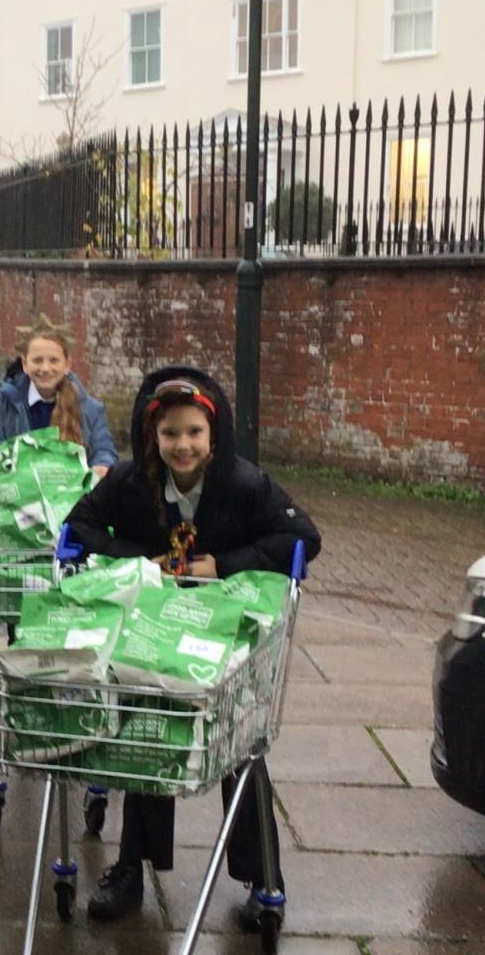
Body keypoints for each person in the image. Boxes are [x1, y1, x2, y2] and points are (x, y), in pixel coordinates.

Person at [63, 365, 321, 925]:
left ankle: (263, 878)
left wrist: (222, 565)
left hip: (226, 631)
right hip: (157, 628)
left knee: (240, 740)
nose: (183, 445)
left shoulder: (244, 484)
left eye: (194, 432)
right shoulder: (131, 482)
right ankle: (131, 868)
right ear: (152, 436)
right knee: (149, 729)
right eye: (170, 433)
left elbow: (302, 537)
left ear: (214, 434)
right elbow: (79, 525)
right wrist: (144, 560)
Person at [0, 321, 117, 475]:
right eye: (37, 360)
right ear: (25, 364)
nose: (45, 368)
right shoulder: (4, 403)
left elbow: (104, 451)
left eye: (54, 360)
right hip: (19, 486)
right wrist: (1, 464)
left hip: (73, 489)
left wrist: (102, 465)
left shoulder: (91, 409)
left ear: (67, 365)